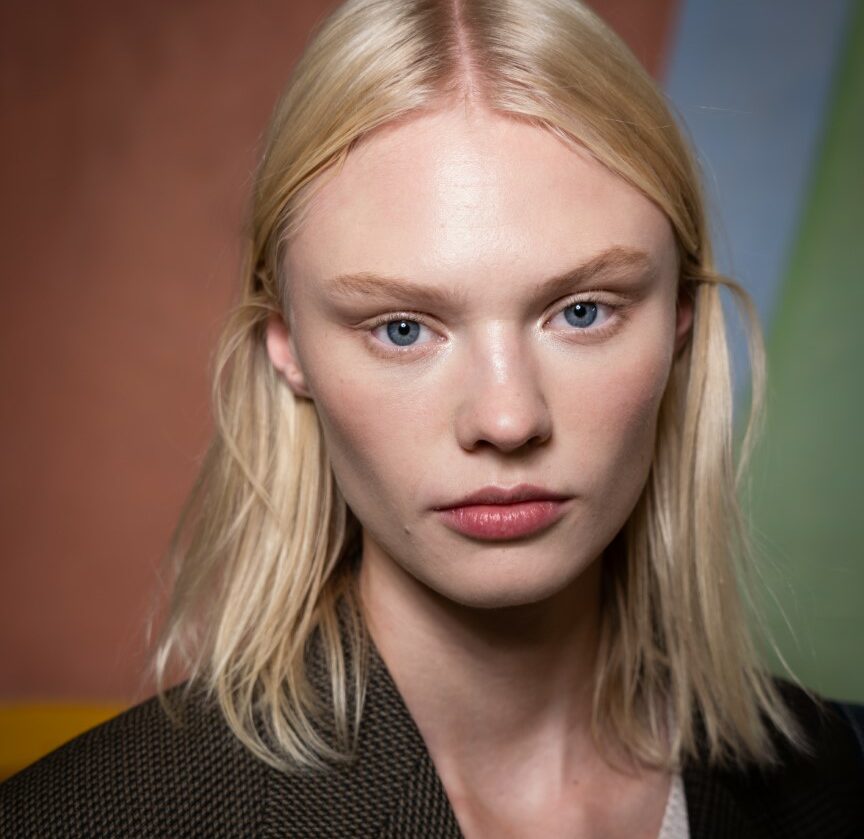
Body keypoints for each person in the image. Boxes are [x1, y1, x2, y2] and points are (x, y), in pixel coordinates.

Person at [2, 0, 862, 836]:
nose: (507, 416)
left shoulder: (837, 779)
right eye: (403, 328)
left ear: (679, 318)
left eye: (583, 310)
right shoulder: (80, 820)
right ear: (288, 345)